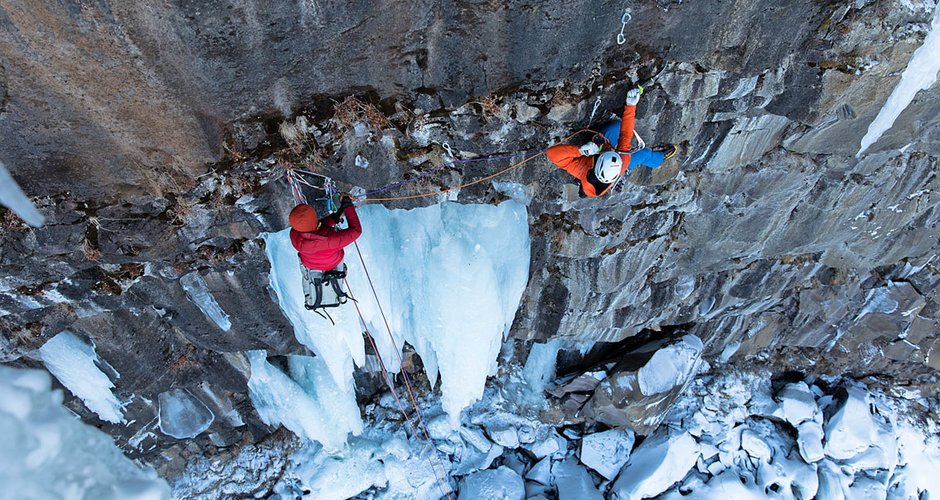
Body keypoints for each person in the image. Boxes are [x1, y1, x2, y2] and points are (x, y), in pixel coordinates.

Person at [547, 88, 676, 197]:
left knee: (617, 130)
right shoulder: (623, 160)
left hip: (600, 174)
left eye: (607, 151)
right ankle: (659, 159)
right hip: (617, 170)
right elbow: (625, 134)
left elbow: (552, 154)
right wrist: (631, 106)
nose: (609, 150)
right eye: (608, 151)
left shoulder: (581, 170)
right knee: (644, 154)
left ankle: (656, 160)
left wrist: (579, 151)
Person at [288, 195, 361, 310]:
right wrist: (348, 206)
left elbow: (314, 229)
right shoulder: (331, 240)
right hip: (330, 262)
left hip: (311, 263)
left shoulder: (294, 235)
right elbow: (356, 231)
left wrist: (336, 217)